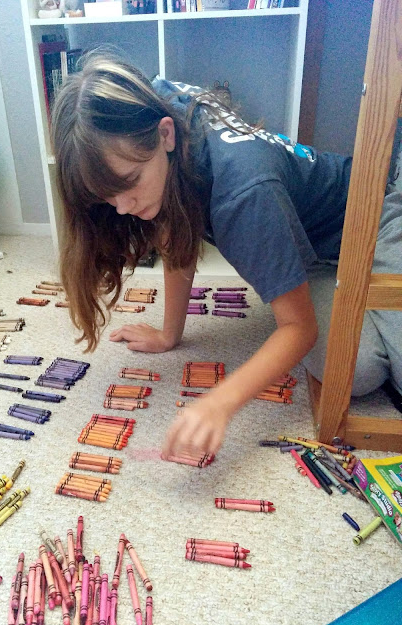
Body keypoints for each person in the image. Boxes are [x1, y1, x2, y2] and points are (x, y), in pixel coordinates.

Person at [51, 50, 402, 459]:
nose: (123, 208)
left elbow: (298, 328)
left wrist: (220, 402)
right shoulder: (156, 108)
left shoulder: (243, 192)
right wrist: (169, 335)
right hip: (312, 252)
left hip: (374, 214)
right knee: (356, 370)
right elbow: (177, 231)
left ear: (166, 135)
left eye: (130, 182)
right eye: (108, 197)